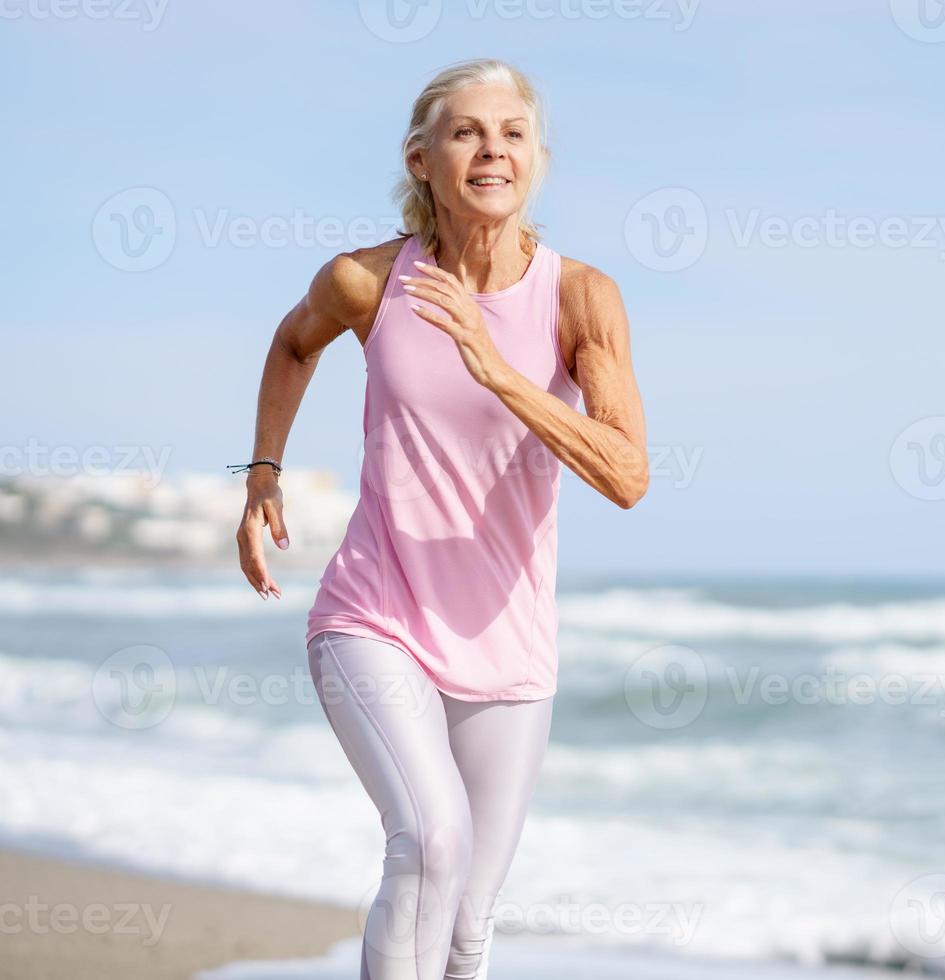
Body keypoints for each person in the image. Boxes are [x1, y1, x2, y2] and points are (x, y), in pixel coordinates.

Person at [231, 58, 648, 979]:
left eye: (513, 134)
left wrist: (497, 369)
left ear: (537, 157)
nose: (493, 150)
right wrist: (264, 472)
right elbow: (292, 344)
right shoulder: (367, 282)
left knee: (467, 926)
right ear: (422, 160)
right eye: (467, 132)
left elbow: (626, 474)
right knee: (429, 842)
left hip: (509, 642)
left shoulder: (581, 298)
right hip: (374, 614)